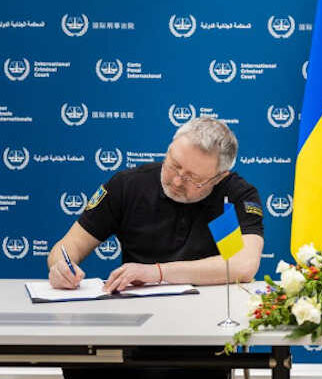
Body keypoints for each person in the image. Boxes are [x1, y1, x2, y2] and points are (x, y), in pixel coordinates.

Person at [46, 117, 264, 379]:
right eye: (174, 165)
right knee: (81, 359)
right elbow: (66, 248)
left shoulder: (234, 195)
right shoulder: (128, 185)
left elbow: (243, 265)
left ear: (219, 177)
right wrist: (60, 266)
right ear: (170, 147)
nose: (176, 180)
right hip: (131, 330)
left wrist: (157, 272)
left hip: (200, 336)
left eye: (193, 179)